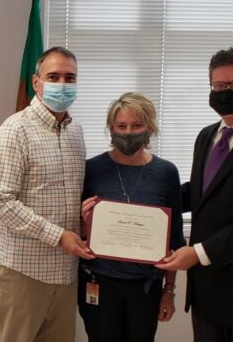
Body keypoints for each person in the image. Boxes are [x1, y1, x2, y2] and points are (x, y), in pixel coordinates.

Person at [0, 46, 95, 342]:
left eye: (70, 77)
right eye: (54, 76)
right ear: (36, 82)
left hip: (66, 271)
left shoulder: (76, 132)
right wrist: (59, 236)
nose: (62, 84)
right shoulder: (15, 130)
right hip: (23, 270)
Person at [78, 92, 186, 342]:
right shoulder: (91, 169)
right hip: (98, 282)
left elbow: (175, 240)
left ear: (150, 127)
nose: (128, 132)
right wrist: (83, 221)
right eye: (121, 126)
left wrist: (169, 291)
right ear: (111, 128)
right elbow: (78, 234)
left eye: (137, 125)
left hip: (145, 287)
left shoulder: (166, 172)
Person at [157, 46, 233, 341]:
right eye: (219, 86)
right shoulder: (207, 136)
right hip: (206, 291)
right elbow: (199, 193)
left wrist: (197, 253)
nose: (227, 92)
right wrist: (142, 202)